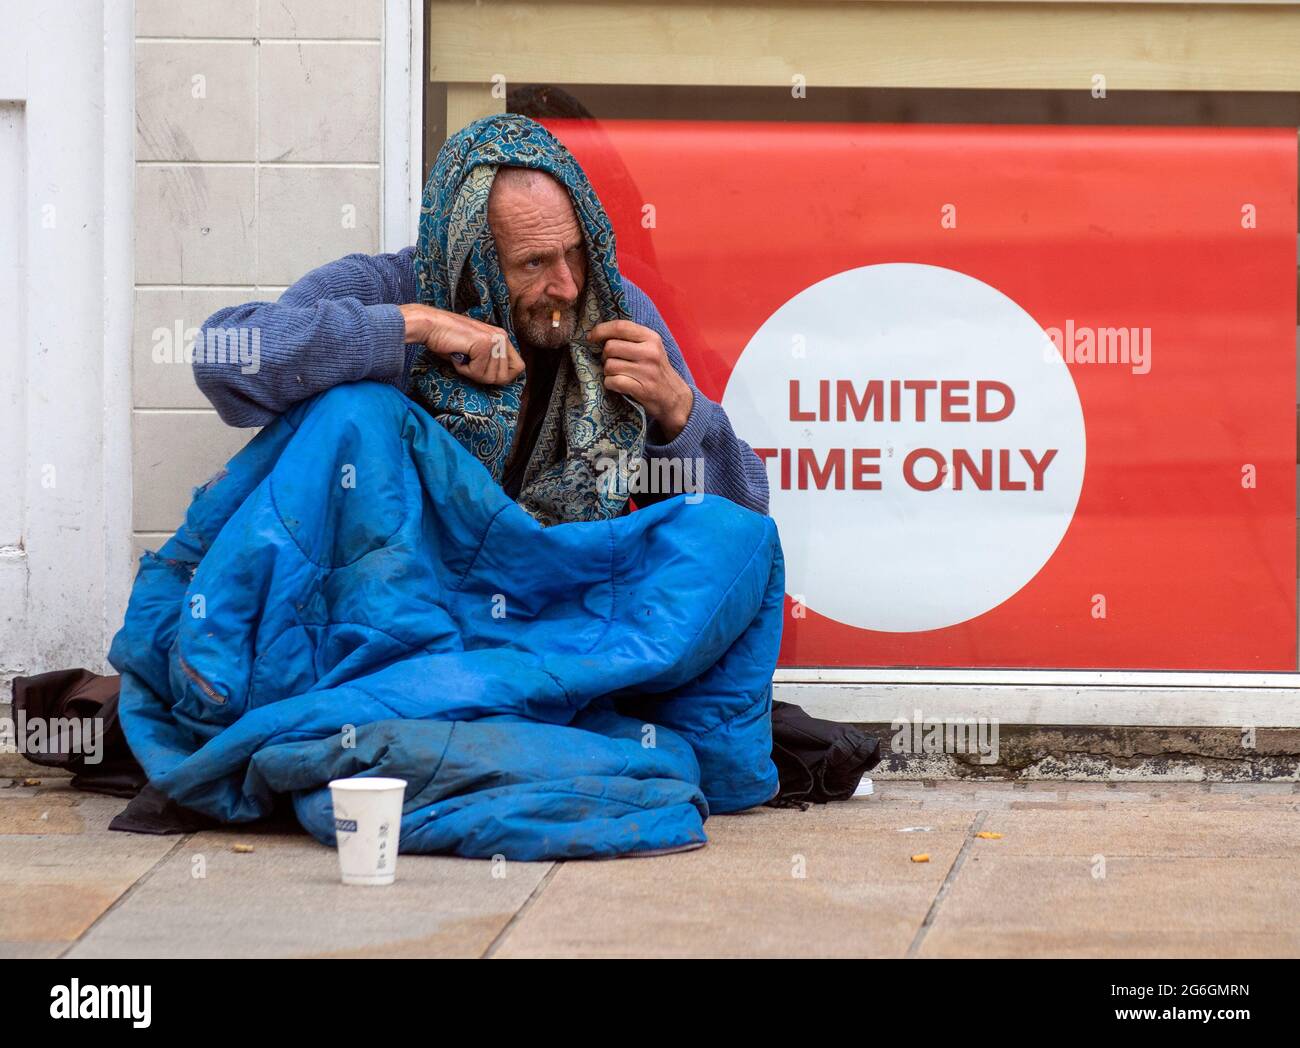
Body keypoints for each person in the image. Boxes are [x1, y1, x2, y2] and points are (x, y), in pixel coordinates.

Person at [194, 113, 768, 524]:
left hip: (546, 598)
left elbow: (742, 522)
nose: (566, 286)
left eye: (575, 253)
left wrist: (678, 414)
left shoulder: (614, 312)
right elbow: (221, 355)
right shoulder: (390, 288)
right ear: (472, 263)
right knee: (357, 407)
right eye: (534, 263)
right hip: (393, 597)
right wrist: (411, 326)